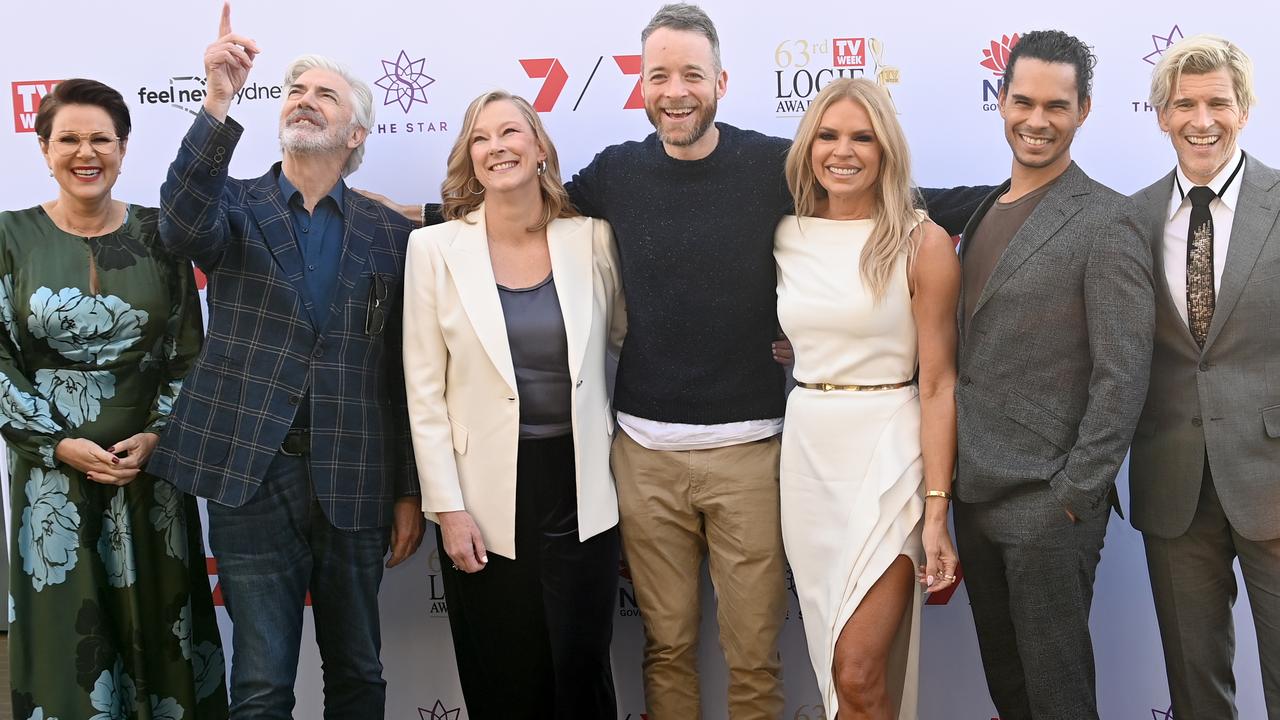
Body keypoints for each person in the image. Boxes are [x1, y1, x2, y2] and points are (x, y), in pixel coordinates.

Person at [365, 6, 987, 715]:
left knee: (754, 655)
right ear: (641, 85)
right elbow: (525, 204)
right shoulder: (616, 174)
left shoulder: (771, 167)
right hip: (643, 456)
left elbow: (877, 190)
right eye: (659, 74)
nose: (676, 89)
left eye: (692, 73)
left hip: (752, 453)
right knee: (665, 649)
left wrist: (1005, 199)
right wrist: (409, 217)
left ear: (720, 80)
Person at [147, 5, 424, 718]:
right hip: (251, 475)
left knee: (359, 672)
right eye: (296, 92)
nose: (304, 100)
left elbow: (399, 375)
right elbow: (177, 222)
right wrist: (218, 100)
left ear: (355, 133)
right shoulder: (233, 207)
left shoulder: (390, 233)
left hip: (355, 478)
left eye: (324, 94)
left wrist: (406, 490)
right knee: (263, 683)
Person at [0, 78, 227, 719]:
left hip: (150, 472)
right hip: (51, 480)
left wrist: (160, 433)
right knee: (66, 641)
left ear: (123, 149)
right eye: (68, 138)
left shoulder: (161, 236)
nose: (85, 151)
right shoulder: (9, 237)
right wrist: (54, 442)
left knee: (164, 632)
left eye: (101, 138)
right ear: (44, 148)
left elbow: (190, 352)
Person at [402, 89, 625, 720]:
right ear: (468, 158)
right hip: (485, 497)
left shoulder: (592, 240)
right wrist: (448, 508)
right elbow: (424, 393)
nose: (497, 147)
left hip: (582, 486)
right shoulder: (435, 250)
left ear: (540, 148)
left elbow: (633, 340)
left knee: (582, 675)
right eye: (480, 137)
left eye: (510, 132)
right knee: (505, 677)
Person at [952, 30, 1154, 720]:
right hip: (972, 495)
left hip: (1047, 502)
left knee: (1058, 697)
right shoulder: (983, 210)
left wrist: (1073, 494)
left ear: (1085, 111)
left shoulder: (1108, 219)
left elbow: (1122, 373)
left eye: (1057, 107)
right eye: (1024, 101)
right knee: (1010, 694)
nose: (1037, 121)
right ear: (1001, 101)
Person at [775, 78, 959, 719]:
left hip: (888, 457)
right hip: (806, 456)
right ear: (808, 146)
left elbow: (938, 384)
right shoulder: (784, 236)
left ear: (886, 150)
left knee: (857, 669)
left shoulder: (921, 242)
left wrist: (937, 512)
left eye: (862, 137)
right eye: (827, 135)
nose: (842, 151)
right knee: (836, 667)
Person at [1129, 34, 1280, 719]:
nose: (1202, 119)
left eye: (1218, 102)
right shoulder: (1127, 219)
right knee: (1195, 691)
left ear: (1244, 110)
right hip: (1173, 486)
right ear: (1161, 114)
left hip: (1273, 477)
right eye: (1184, 104)